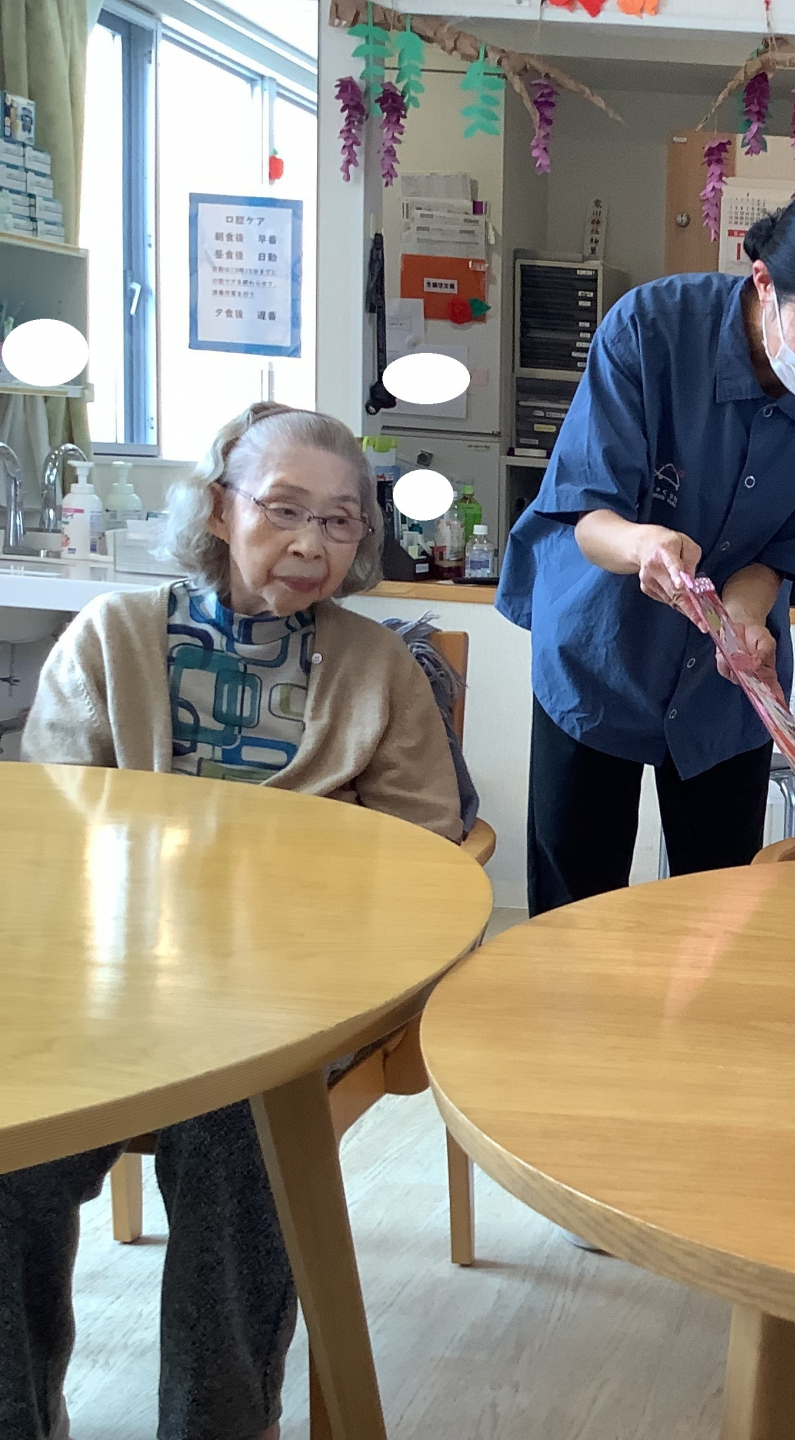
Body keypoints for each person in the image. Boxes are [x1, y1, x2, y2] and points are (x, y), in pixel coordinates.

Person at [8, 402, 462, 1440]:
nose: (310, 543)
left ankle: (219, 1425)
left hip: (284, 1000)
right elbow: (48, 843)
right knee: (13, 1156)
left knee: (236, 1136)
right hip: (104, 988)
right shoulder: (112, 638)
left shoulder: (380, 667)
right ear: (220, 509)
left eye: (340, 521)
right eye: (284, 509)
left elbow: (424, 851)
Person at [497, 172, 795, 916]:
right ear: (765, 282)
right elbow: (587, 515)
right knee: (573, 904)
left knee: (722, 906)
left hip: (727, 679)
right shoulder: (651, 329)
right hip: (599, 649)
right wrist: (645, 545)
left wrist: (746, 614)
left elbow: (779, 556)